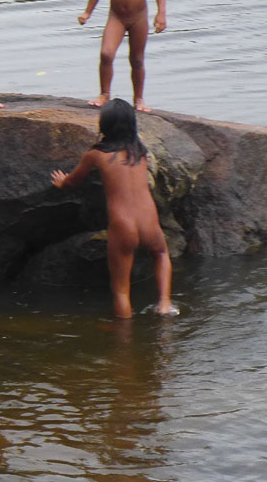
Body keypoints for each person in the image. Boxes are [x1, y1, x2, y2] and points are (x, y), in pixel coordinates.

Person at [51, 99, 177, 319]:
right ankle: (165, 304)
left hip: (123, 224)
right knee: (161, 253)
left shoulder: (96, 154)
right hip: (148, 219)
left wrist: (62, 182)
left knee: (121, 290)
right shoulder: (139, 149)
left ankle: (123, 341)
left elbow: (73, 182)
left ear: (104, 125)